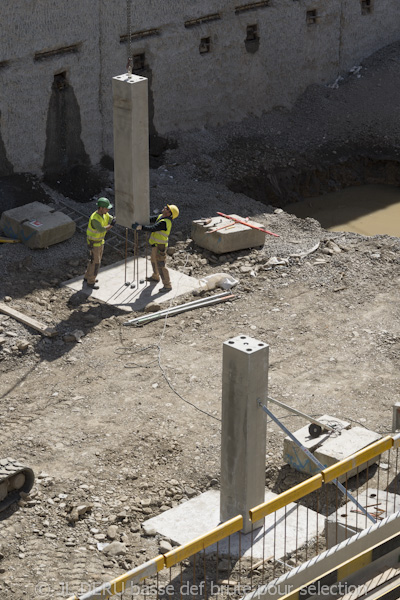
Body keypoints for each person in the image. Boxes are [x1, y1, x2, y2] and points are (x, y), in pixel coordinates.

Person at [132, 204, 179, 293]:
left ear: (169, 213)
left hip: (160, 246)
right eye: (166, 207)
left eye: (167, 208)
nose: (164, 207)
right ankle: (155, 276)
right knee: (153, 260)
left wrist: (140, 227)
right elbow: (149, 219)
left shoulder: (165, 222)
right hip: (155, 244)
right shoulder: (161, 216)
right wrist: (139, 219)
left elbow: (153, 228)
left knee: (161, 265)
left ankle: (167, 285)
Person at [84, 197, 115, 289]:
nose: (108, 209)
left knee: (93, 261)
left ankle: (87, 276)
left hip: (100, 242)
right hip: (93, 243)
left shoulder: (105, 214)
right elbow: (101, 229)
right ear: (101, 208)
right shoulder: (95, 218)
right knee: (96, 263)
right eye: (106, 208)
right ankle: (91, 281)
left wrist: (115, 219)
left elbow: (111, 218)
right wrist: (112, 225)